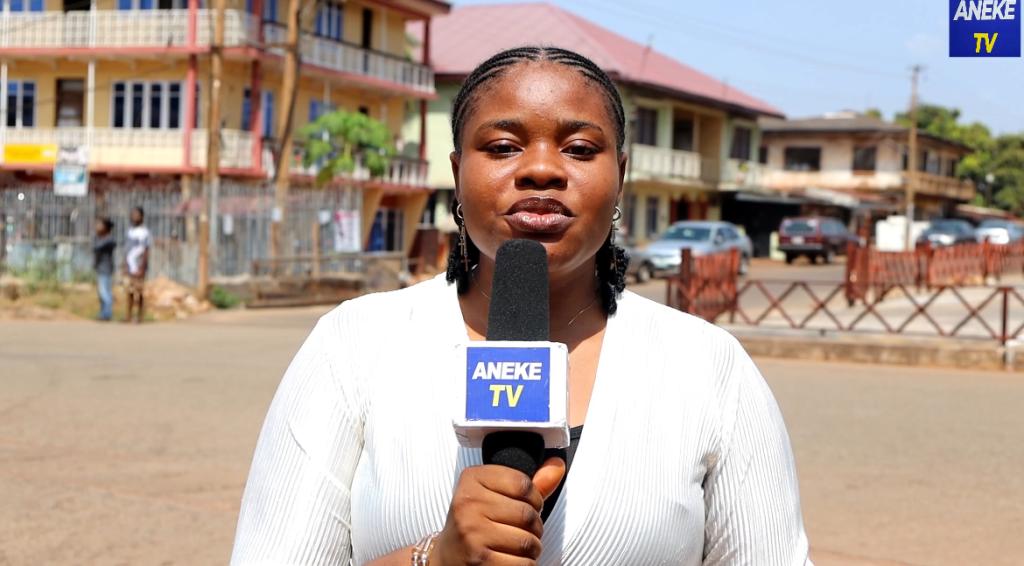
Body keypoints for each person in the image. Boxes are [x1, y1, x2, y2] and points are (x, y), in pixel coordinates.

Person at [231, 46, 810, 565]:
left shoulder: (708, 366)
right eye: (504, 146)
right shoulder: (355, 344)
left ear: (621, 176)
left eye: (580, 148)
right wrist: (434, 560)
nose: (541, 169)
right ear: (458, 175)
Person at [123, 206, 151, 324]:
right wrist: (124, 265)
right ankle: (128, 316)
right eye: (132, 214)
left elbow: (146, 250)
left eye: (137, 214)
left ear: (142, 217)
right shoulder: (129, 231)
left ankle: (139, 316)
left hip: (139, 266)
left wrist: (142, 267)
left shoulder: (145, 232)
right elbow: (127, 249)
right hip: (129, 266)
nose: (134, 217)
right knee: (129, 291)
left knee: (139, 292)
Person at [93, 217, 116, 322]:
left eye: (100, 225)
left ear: (106, 228)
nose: (97, 227)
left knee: (105, 292)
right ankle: (103, 313)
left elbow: (96, 247)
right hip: (100, 269)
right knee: (102, 292)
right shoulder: (100, 238)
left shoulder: (109, 239)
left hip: (106, 269)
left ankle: (107, 314)